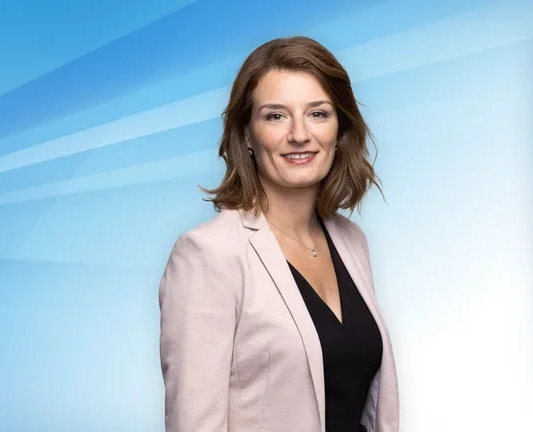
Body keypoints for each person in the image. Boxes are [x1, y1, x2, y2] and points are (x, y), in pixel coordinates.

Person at [158, 36, 399, 432]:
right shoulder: (208, 254)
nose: (299, 134)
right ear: (246, 134)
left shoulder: (351, 241)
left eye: (317, 113)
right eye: (275, 116)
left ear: (340, 128)